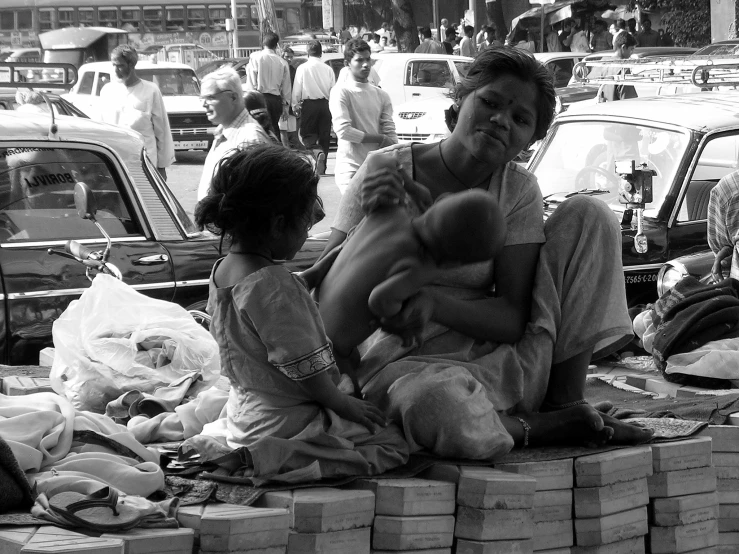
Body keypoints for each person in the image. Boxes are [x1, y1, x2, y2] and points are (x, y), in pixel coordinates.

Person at [318, 47, 653, 460]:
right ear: (460, 100)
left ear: (530, 139)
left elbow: (513, 318)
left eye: (520, 119)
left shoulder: (517, 191)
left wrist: (428, 301)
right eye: (490, 103)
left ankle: (565, 402)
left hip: (498, 364)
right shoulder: (385, 170)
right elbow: (329, 284)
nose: (501, 121)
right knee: (437, 405)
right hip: (400, 367)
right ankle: (538, 427)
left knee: (591, 214)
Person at [194, 143, 409, 480]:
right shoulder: (276, 287)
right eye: (305, 225)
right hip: (287, 421)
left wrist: (322, 266)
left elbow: (263, 299)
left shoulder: (226, 269)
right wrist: (343, 404)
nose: (307, 233)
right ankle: (275, 457)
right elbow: (305, 368)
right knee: (391, 445)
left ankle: (255, 452)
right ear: (279, 225)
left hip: (246, 412)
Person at [318, 180, 506, 394]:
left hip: (313, 313)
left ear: (441, 199)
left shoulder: (393, 213)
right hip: (332, 350)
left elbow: (342, 248)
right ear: (454, 263)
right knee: (353, 405)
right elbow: (380, 299)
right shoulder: (419, 266)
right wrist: (398, 323)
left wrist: (410, 185)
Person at [329, 38, 397, 194]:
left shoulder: (382, 95)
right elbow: (344, 132)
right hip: (350, 170)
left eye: (368, 59)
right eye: (359, 60)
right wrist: (379, 139)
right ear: (347, 63)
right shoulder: (341, 92)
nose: (365, 64)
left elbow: (389, 131)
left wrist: (394, 150)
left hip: (377, 168)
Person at [99, 45, 174, 181]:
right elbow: (100, 128)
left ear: (132, 64)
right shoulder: (107, 91)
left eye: (120, 66)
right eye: (113, 65)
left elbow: (162, 131)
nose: (116, 70)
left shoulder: (151, 91)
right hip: (115, 162)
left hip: (145, 163)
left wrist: (161, 166)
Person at [196, 67, 271, 201]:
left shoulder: (249, 139)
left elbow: (255, 202)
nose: (203, 104)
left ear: (233, 97)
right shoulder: (223, 132)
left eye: (210, 97)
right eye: (201, 98)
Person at [292, 40, 336, 175]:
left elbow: (297, 89)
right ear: (321, 53)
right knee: (324, 136)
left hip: (309, 105)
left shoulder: (302, 68)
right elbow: (333, 90)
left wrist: (295, 105)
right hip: (325, 105)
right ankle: (323, 165)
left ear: (307, 53)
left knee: (306, 134)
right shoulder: (328, 69)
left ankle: (317, 152)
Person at [245, 31, 292, 139]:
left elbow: (251, 81)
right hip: (276, 100)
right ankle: (275, 153)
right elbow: (286, 87)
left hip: (259, 98)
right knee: (275, 130)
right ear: (276, 45)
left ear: (263, 43)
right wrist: (286, 106)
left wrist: (251, 101)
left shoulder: (255, 58)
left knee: (258, 129)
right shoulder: (282, 62)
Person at [278, 48, 306, 152]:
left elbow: (295, 86)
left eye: (291, 57)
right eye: (287, 56)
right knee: (283, 129)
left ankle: (293, 148)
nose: (289, 59)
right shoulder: (280, 67)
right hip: (281, 102)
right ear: (282, 55)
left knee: (292, 130)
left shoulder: (292, 69)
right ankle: (287, 150)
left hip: (290, 103)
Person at [600, 32, 638, 102]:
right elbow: (629, 99)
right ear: (623, 47)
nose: (632, 52)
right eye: (631, 49)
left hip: (605, 108)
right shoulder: (623, 69)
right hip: (619, 109)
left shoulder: (603, 63)